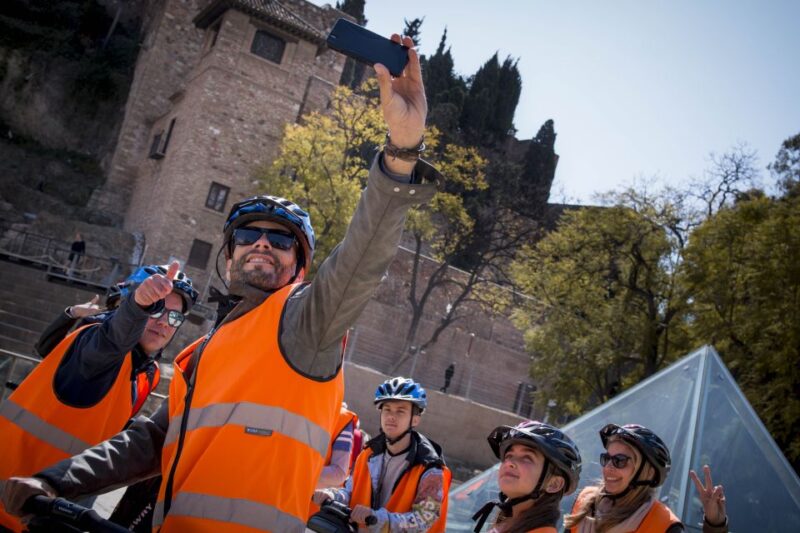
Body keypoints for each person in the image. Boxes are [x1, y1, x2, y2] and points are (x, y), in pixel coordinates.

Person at [1, 31, 440, 533]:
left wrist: (402, 152)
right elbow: (149, 441)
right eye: (249, 234)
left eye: (282, 241)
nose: (263, 244)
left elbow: (362, 258)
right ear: (228, 254)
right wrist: (56, 481)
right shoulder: (202, 354)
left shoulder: (304, 322)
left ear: (300, 267)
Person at [0, 262, 197, 532]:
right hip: (12, 506)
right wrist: (138, 306)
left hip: (50, 511)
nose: (164, 321)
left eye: (175, 317)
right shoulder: (97, 343)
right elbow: (114, 339)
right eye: (156, 307)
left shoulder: (145, 372)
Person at [313, 377, 451, 532]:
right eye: (387, 409)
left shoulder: (430, 469)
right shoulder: (368, 454)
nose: (391, 416)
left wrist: (378, 518)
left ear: (415, 420)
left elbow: (422, 521)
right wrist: (331, 495)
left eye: (400, 411)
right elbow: (350, 491)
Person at [564, 424, 728, 533]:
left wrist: (715, 525)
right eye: (606, 458)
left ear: (648, 473)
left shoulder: (664, 525)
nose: (608, 467)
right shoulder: (584, 500)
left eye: (619, 461)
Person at [471, 420, 582, 533]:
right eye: (509, 455)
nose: (509, 462)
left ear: (554, 484)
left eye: (527, 458)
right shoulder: (507, 525)